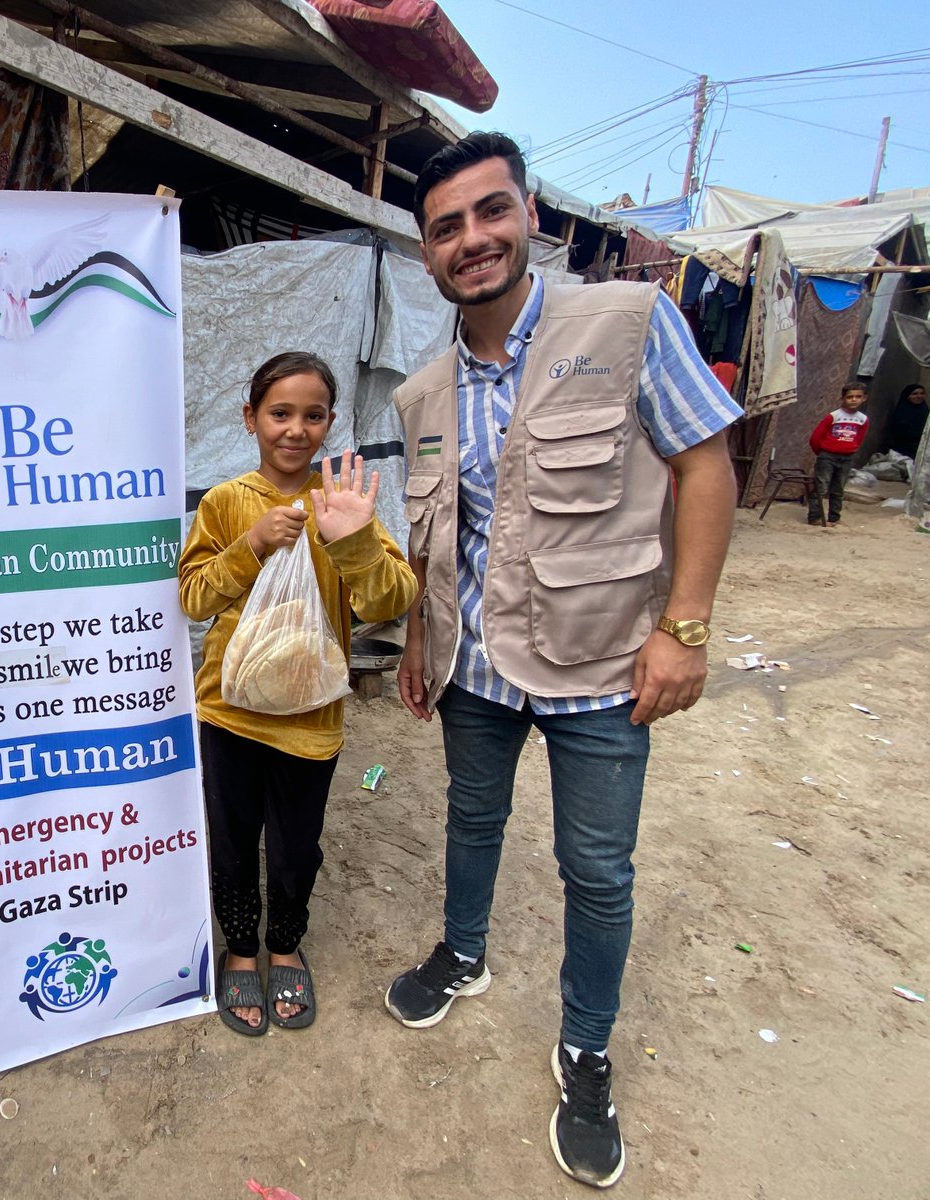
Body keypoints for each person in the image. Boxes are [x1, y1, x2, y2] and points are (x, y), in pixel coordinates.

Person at [382, 133, 740, 1189]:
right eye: (446, 227)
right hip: (474, 670)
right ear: (425, 251)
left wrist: (683, 626)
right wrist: (416, 633)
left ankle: (585, 1049)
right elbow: (435, 531)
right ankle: (464, 951)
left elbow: (705, 467)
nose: (472, 240)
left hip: (597, 669)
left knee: (596, 870)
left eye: (489, 213)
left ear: (529, 216)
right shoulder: (421, 395)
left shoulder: (627, 324)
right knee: (471, 818)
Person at [178, 352, 417, 1036]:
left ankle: (286, 943)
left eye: (313, 415)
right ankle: (241, 950)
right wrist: (249, 545)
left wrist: (356, 542)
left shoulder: (342, 502)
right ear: (250, 418)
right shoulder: (227, 503)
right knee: (232, 839)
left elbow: (393, 598)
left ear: (330, 423)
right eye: (280, 413)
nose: (295, 429)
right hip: (230, 712)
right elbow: (194, 598)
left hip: (312, 720)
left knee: (295, 844)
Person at [808, 383, 870, 525]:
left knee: (838, 489)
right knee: (821, 487)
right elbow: (815, 438)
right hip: (827, 456)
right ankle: (815, 517)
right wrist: (822, 452)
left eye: (858, 397)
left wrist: (851, 449)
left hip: (847, 458)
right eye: (850, 397)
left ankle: (834, 518)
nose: (854, 400)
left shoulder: (863, 419)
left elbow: (859, 438)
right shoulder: (833, 416)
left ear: (864, 398)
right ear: (843, 398)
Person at [883, 382, 927, 461]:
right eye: (914, 394)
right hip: (905, 449)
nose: (919, 396)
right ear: (907, 396)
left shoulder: (925, 410)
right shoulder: (902, 413)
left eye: (922, 393)